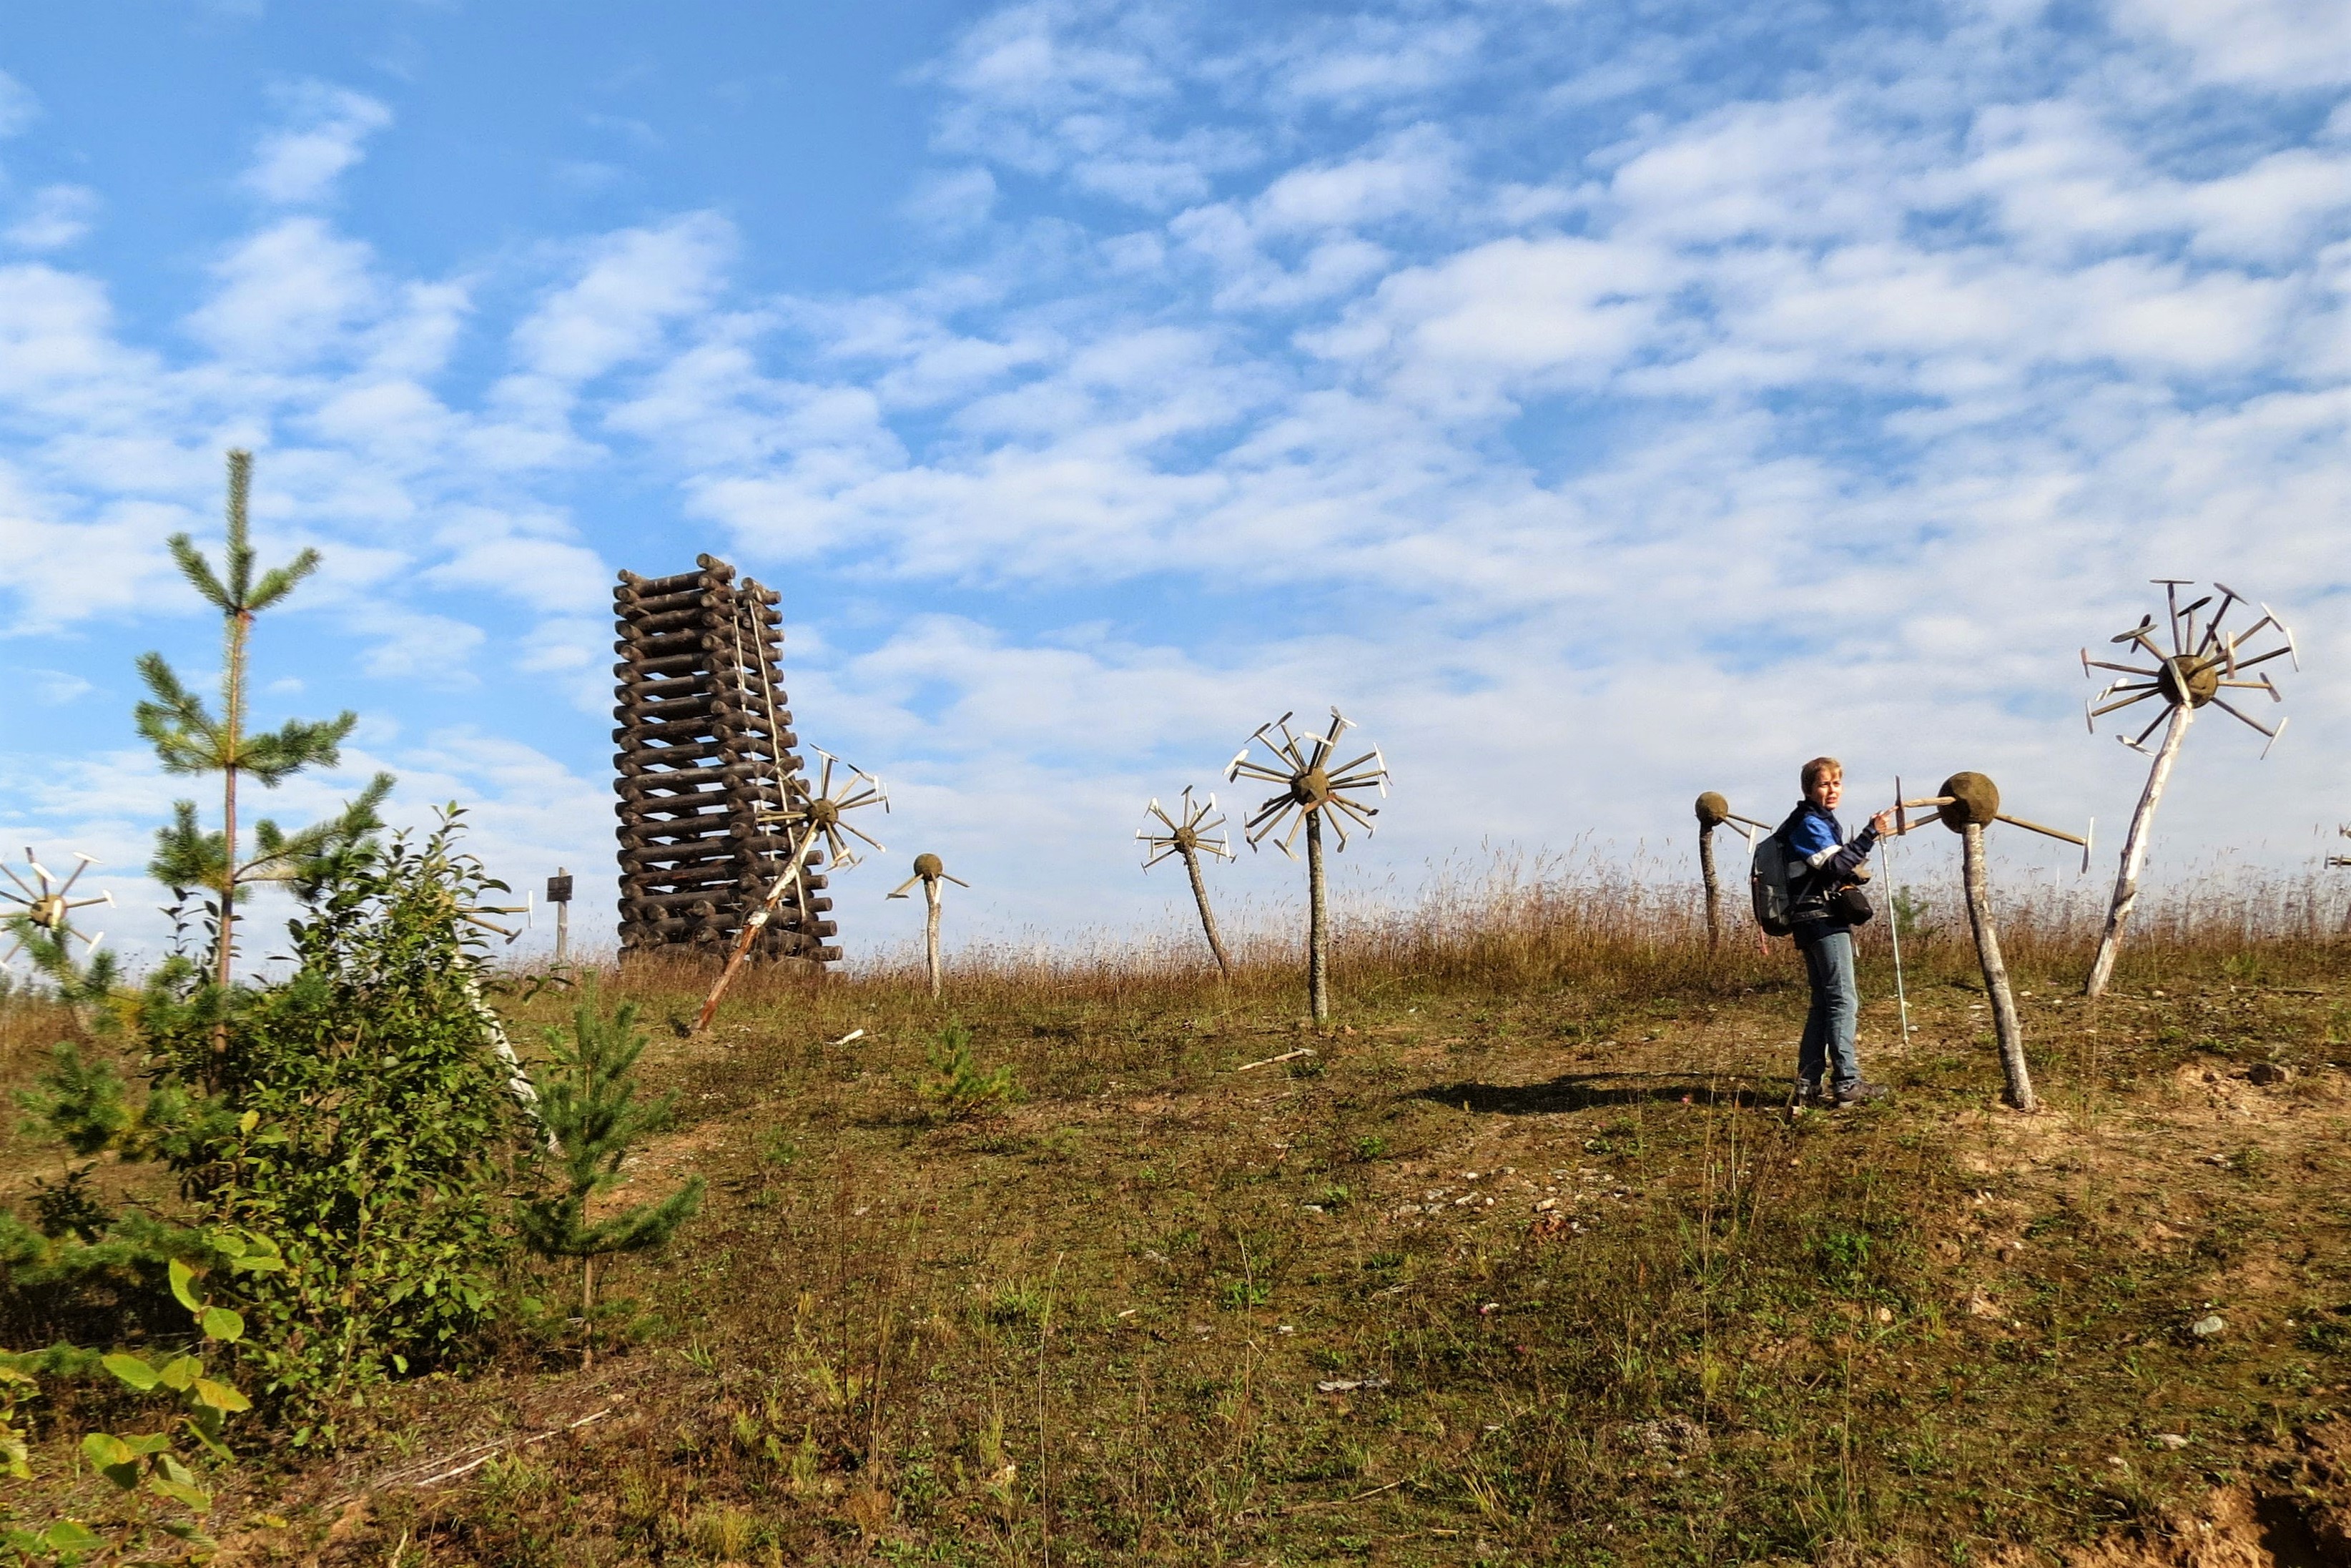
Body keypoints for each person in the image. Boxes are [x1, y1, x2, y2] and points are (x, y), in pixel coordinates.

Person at [1780, 756, 1895, 1107]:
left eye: (1836, 784)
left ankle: (1807, 1085)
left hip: (1810, 918)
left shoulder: (1816, 822)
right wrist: (1869, 834)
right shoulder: (1808, 823)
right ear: (1809, 789)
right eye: (1824, 784)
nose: (1832, 790)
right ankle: (1847, 1083)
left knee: (1822, 1004)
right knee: (1843, 1000)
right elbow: (1833, 865)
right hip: (1822, 919)